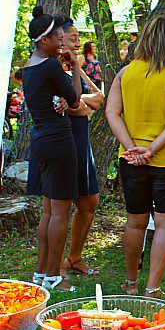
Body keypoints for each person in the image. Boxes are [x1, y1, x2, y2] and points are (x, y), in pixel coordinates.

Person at [105, 16, 165, 299]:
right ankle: (152, 288)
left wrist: (132, 147)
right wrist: (152, 149)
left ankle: (130, 282)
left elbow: (112, 114)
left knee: (135, 222)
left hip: (131, 160)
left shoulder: (125, 74)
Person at [22, 7, 83, 291]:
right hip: (58, 140)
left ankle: (41, 272)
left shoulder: (29, 67)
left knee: (48, 211)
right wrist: (76, 68)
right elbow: (74, 99)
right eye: (57, 37)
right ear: (42, 40)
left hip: (40, 139)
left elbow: (54, 97)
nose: (61, 42)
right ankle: (56, 277)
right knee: (60, 213)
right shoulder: (51, 66)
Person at [56, 18, 104, 278]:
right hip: (64, 143)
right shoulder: (52, 70)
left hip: (82, 142)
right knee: (59, 207)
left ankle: (75, 257)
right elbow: (77, 109)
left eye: (77, 38)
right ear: (59, 40)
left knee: (90, 202)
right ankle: (56, 264)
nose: (77, 43)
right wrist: (84, 103)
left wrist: (77, 67)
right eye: (72, 39)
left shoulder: (73, 70)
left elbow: (98, 97)